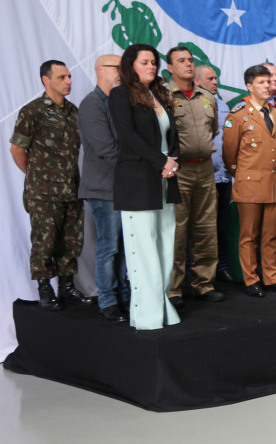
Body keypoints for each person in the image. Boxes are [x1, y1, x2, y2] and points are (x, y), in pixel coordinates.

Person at [108, 44, 182, 330]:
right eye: (144, 62)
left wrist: (172, 160)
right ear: (131, 66)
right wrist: (162, 160)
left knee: (165, 243)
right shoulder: (120, 94)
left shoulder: (159, 96)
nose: (151, 66)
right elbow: (128, 135)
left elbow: (170, 134)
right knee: (144, 248)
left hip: (164, 177)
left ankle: (161, 306)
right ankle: (147, 315)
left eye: (153, 62)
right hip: (138, 180)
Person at [9, 60, 93, 311]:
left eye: (69, 77)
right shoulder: (32, 111)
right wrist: (38, 176)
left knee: (71, 241)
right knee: (44, 242)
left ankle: (66, 288)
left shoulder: (74, 112)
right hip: (44, 192)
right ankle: (45, 289)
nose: (68, 81)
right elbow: (16, 150)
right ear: (46, 80)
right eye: (61, 77)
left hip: (72, 189)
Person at [222, 65, 276, 297]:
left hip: (275, 184)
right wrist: (243, 176)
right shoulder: (239, 116)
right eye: (261, 82)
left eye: (269, 81)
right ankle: (251, 279)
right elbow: (230, 156)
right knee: (249, 235)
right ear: (249, 86)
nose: (267, 86)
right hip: (250, 184)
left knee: (271, 235)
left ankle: (272, 277)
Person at [164, 46, 224, 307]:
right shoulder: (162, 96)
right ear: (169, 67)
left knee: (206, 228)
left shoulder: (208, 97)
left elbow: (213, 131)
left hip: (205, 168)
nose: (188, 64)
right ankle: (174, 289)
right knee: (177, 231)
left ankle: (204, 284)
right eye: (181, 61)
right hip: (178, 170)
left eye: (190, 60)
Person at [78, 54, 129, 322]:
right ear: (100, 71)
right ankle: (107, 300)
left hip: (120, 186)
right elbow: (107, 149)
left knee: (122, 245)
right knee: (109, 246)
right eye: (116, 67)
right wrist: (137, 166)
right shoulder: (91, 104)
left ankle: (122, 295)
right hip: (103, 187)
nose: (121, 72)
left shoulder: (117, 102)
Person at [194, 63, 241, 285]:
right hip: (202, 177)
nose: (216, 82)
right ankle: (198, 273)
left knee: (221, 225)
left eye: (216, 79)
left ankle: (221, 266)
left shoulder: (222, 105)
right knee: (200, 227)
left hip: (223, 176)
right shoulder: (188, 104)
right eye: (211, 79)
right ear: (197, 80)